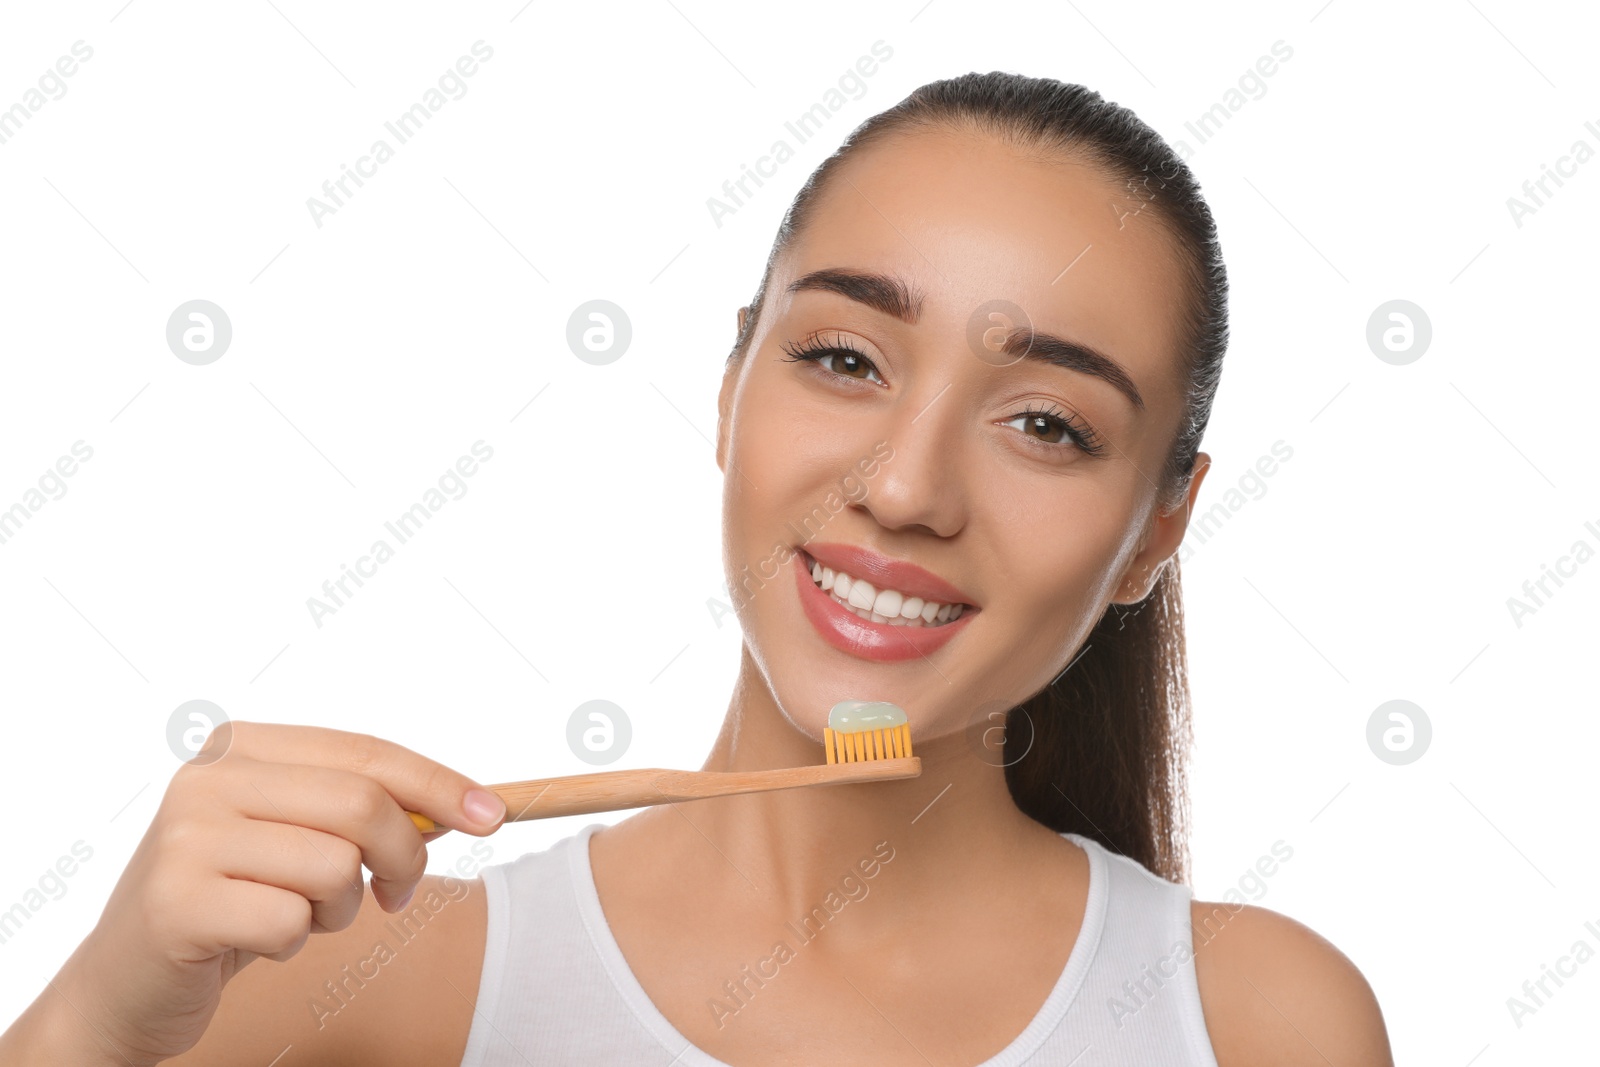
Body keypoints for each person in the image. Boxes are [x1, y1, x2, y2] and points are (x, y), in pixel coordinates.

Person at [0, 72, 1393, 1065]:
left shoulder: (1264, 1023)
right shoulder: (363, 983)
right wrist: (90, 1027)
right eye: (844, 358)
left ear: (1158, 525)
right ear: (731, 384)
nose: (905, 488)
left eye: (1046, 423)